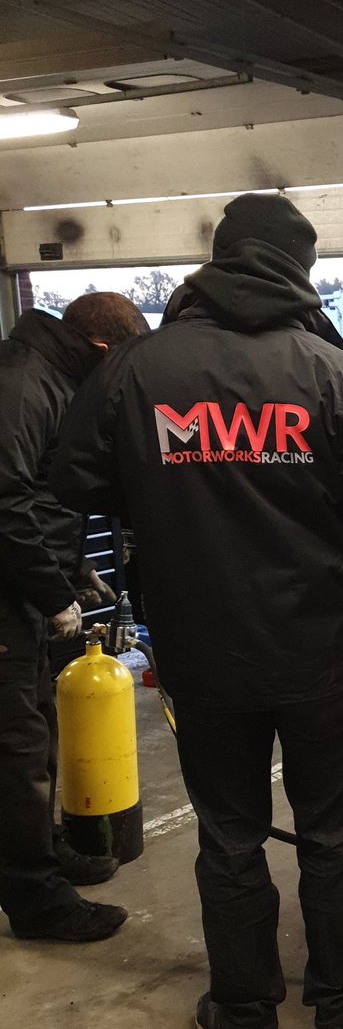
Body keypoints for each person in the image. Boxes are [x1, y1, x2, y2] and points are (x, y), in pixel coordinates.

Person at [52, 193, 343, 1029]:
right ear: (297, 269)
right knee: (334, 827)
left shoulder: (137, 371)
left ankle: (245, 1012)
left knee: (229, 830)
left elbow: (67, 484)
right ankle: (341, 999)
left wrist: (153, 508)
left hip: (201, 650)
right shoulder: (329, 372)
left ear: (218, 259)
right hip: (320, 653)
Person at [0, 292, 149, 943]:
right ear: (99, 351)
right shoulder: (23, 382)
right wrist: (48, 590)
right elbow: (3, 501)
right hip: (5, 596)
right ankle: (36, 900)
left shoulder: (53, 377)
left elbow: (43, 492)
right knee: (16, 746)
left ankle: (45, 846)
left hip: (22, 590)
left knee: (36, 722)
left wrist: (66, 573)